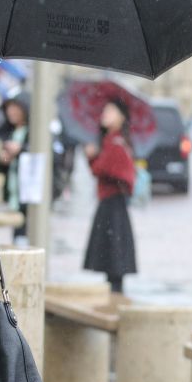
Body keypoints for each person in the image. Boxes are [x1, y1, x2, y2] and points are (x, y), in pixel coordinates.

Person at [83, 98, 137, 293]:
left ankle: (115, 299)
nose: (105, 114)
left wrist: (93, 158)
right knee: (111, 259)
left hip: (114, 205)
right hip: (109, 203)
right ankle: (113, 296)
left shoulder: (116, 142)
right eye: (105, 110)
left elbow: (107, 169)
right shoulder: (110, 140)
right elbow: (101, 169)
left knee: (114, 259)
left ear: (122, 117)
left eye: (111, 111)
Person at [0, 96, 29, 241]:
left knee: (25, 236)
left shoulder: (34, 132)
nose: (11, 112)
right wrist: (4, 159)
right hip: (14, 197)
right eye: (9, 108)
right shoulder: (8, 132)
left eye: (15, 108)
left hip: (28, 196)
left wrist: (20, 150)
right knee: (18, 236)